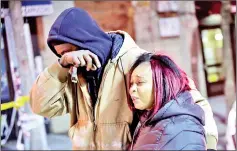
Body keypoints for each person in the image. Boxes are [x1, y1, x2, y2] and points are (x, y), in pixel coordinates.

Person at [30, 7, 217, 150]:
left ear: (85, 41)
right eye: (62, 55)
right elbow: (41, 106)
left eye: (70, 52)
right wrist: (60, 66)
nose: (70, 59)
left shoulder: (139, 64)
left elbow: (195, 109)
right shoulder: (74, 75)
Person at [128, 53, 206, 150]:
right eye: (131, 84)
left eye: (140, 82)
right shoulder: (147, 122)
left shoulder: (183, 128)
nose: (132, 89)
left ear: (163, 83)